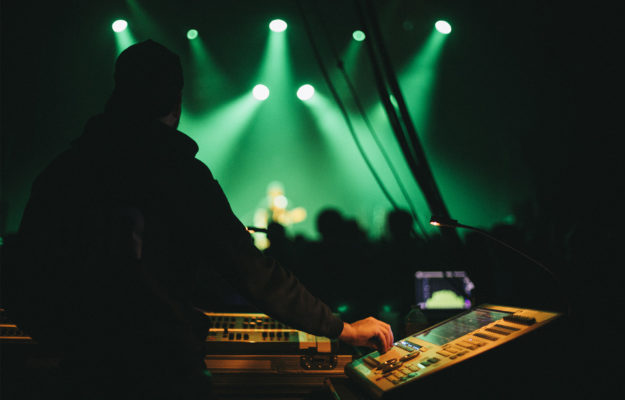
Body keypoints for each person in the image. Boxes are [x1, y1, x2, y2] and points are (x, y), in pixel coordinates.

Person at [6, 40, 393, 399]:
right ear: (175, 101)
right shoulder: (180, 174)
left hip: (83, 372)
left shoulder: (63, 172)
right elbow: (252, 272)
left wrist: (63, 337)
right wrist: (341, 329)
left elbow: (23, 272)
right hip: (164, 371)